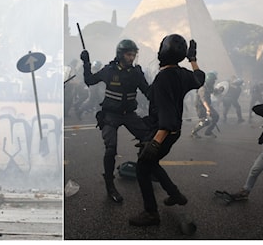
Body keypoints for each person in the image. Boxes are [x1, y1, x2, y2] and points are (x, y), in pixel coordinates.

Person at [128, 34, 205, 227]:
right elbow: (199, 79)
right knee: (152, 164)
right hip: (174, 132)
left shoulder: (163, 78)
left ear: (162, 51)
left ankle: (151, 213)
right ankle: (175, 194)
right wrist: (193, 60)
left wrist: (154, 143)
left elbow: (166, 117)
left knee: (143, 168)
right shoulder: (183, 74)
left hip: (162, 131)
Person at [80, 39, 150, 203]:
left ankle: (143, 171)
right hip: (111, 115)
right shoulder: (109, 70)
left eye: (133, 54)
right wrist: (86, 63)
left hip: (129, 114)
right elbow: (89, 80)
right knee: (111, 149)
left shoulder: (136, 73)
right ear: (120, 54)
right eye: (128, 54)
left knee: (148, 139)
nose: (131, 58)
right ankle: (110, 185)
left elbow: (148, 92)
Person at [190, 71, 224, 138]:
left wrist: (220, 90)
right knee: (205, 121)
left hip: (206, 105)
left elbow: (214, 92)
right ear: (210, 80)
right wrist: (208, 109)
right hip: (200, 106)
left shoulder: (209, 86)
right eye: (213, 80)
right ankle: (194, 132)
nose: (214, 81)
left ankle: (208, 131)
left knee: (216, 116)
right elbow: (203, 100)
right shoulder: (202, 88)